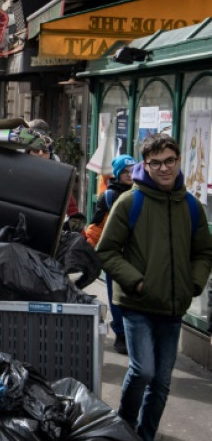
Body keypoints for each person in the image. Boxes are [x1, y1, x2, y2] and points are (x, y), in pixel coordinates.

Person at [96, 134, 212, 441]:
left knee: (161, 382)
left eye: (169, 161)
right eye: (155, 163)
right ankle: (123, 429)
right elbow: (107, 251)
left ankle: (145, 436)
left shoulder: (191, 206)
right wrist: (137, 281)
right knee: (143, 370)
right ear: (145, 165)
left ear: (178, 161)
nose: (163, 168)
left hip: (173, 307)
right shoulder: (130, 201)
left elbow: (204, 252)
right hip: (137, 304)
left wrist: (195, 283)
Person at [85, 154, 136, 355]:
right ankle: (121, 334)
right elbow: (96, 226)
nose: (130, 175)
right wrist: (90, 249)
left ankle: (132, 333)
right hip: (115, 254)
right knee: (116, 296)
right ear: (117, 174)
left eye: (132, 170)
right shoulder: (109, 196)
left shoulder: (141, 193)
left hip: (135, 254)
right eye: (125, 171)